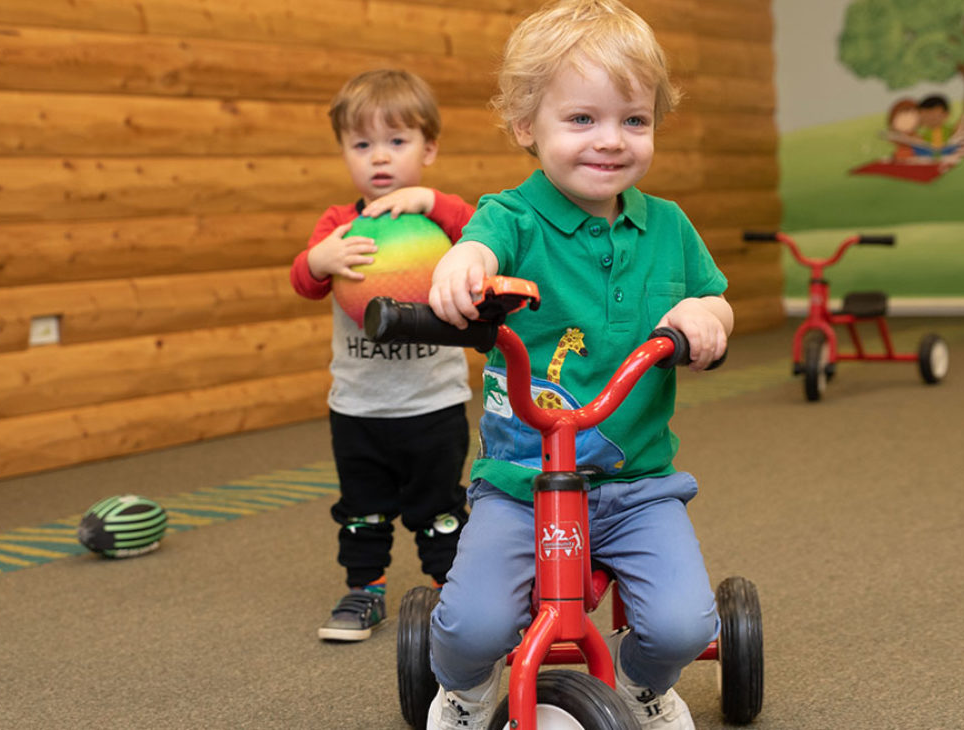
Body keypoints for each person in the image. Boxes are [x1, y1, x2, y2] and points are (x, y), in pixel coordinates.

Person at [424, 1, 733, 727]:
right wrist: (465, 263)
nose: (612, 142)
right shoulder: (513, 217)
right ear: (527, 126)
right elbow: (478, 247)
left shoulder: (671, 227)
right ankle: (464, 690)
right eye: (582, 120)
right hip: (520, 484)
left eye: (634, 120)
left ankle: (636, 681)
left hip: (639, 486)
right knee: (471, 626)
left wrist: (702, 317)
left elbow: (716, 304)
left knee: (687, 626)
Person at [289, 69, 475, 642]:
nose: (379, 158)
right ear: (344, 152)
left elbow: (480, 234)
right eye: (362, 144)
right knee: (362, 508)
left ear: (430, 148)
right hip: (359, 407)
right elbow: (303, 278)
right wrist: (322, 260)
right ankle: (363, 590)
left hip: (435, 404)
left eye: (398, 142)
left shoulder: (444, 220)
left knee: (440, 507)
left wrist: (434, 201)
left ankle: (457, 591)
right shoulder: (340, 226)